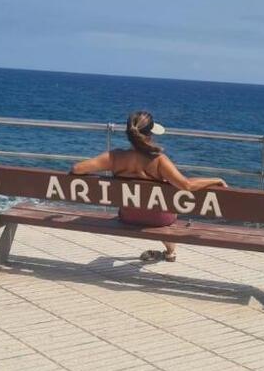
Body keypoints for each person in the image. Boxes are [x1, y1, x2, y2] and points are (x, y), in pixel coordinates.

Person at [71, 110, 226, 262]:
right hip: (159, 220)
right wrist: (215, 180)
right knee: (164, 208)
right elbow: (187, 185)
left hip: (129, 216)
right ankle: (170, 252)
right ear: (150, 135)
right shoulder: (159, 160)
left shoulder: (114, 157)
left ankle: (169, 251)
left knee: (142, 205)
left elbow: (77, 169)